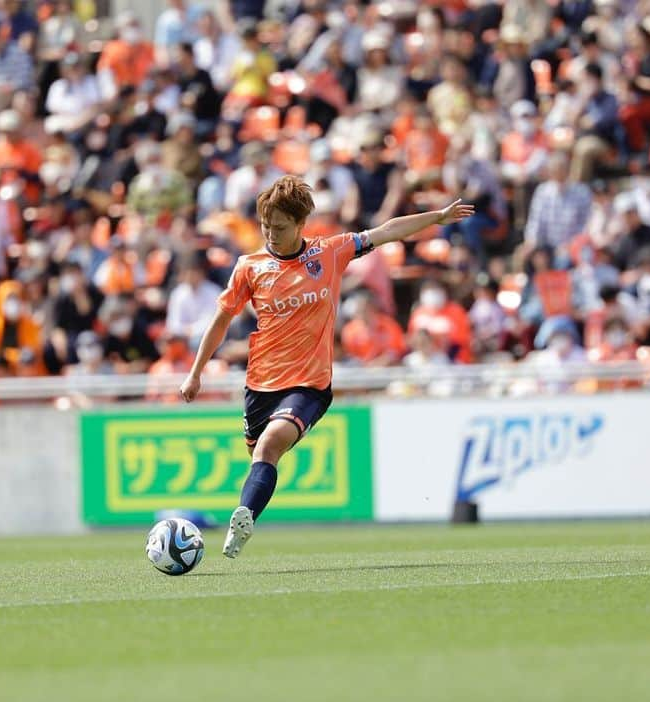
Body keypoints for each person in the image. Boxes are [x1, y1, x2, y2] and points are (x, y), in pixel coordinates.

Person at [179, 176, 472, 559]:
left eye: (280, 228)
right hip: (261, 384)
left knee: (269, 444)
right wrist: (196, 371)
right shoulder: (249, 267)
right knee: (261, 456)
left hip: (310, 384)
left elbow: (386, 232)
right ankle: (249, 511)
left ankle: (244, 516)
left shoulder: (330, 252)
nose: (271, 234)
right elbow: (220, 321)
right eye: (266, 226)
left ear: (301, 225)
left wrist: (437, 217)